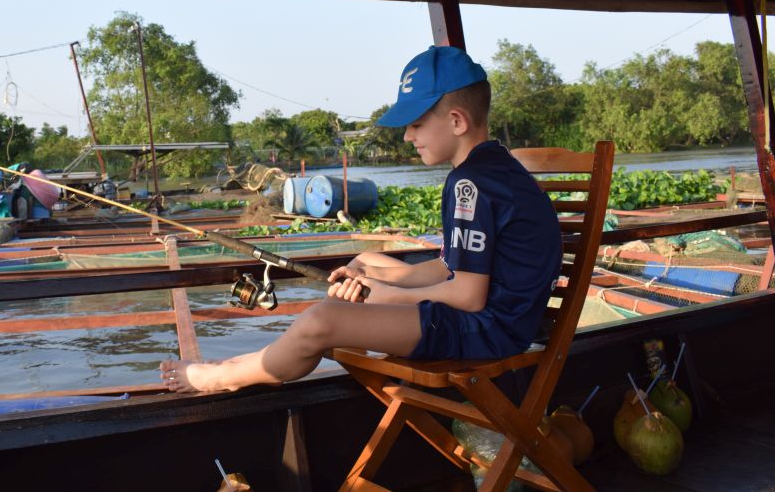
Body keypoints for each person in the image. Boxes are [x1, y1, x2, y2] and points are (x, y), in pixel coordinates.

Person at [160, 45, 562, 393]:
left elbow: (469, 296)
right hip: (496, 321)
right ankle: (250, 362)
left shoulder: (470, 184)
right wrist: (375, 278)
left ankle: (224, 376)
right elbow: (449, 267)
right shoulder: (493, 169)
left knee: (322, 320)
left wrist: (386, 295)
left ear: (457, 121)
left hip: (485, 330)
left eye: (416, 124)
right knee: (364, 262)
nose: (407, 136)